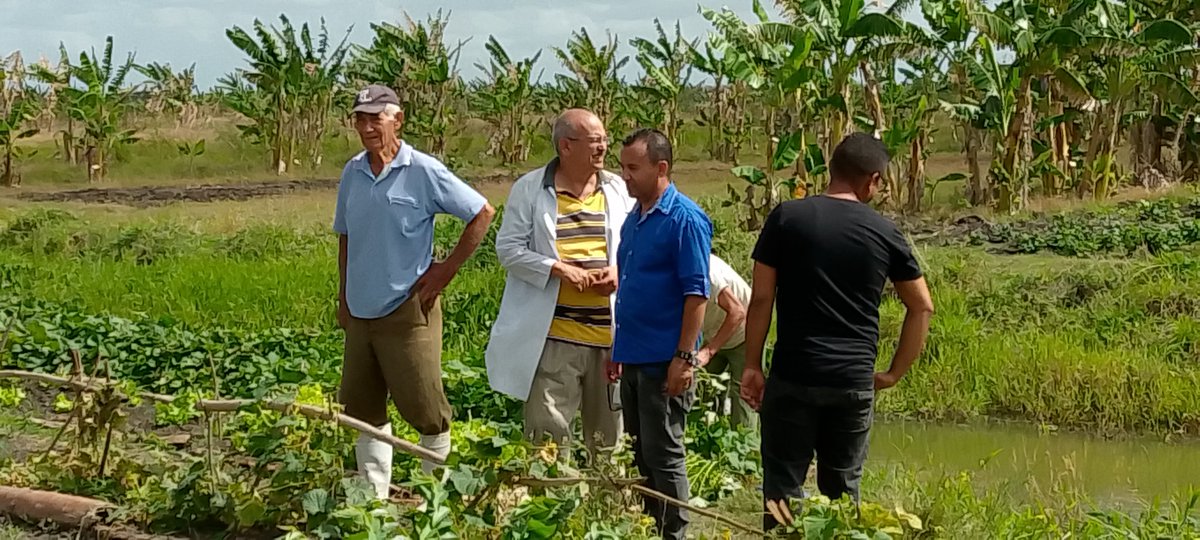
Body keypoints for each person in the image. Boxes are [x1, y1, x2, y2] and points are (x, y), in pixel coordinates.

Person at [739, 133, 934, 529]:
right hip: (851, 381)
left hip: (793, 373)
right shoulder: (884, 232)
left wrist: (752, 366)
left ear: (832, 170)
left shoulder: (786, 217)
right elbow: (922, 305)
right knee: (843, 492)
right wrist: (893, 373)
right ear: (872, 180)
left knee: (782, 490)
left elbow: (761, 299)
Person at [333, 84, 496, 499]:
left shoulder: (422, 170)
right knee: (362, 410)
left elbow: (481, 212)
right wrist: (343, 297)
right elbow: (346, 237)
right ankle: (374, 503)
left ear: (397, 120)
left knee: (427, 410)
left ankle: (433, 502)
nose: (367, 127)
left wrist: (445, 270)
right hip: (360, 312)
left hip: (407, 310)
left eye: (376, 118)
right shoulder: (351, 173)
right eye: (360, 119)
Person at [485, 109, 634, 457]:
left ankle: (607, 506)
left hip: (609, 337)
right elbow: (508, 250)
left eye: (603, 140)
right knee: (547, 436)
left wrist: (617, 270)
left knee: (609, 438)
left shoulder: (617, 189)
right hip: (554, 336)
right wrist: (557, 269)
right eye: (594, 141)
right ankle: (550, 506)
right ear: (566, 147)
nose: (602, 148)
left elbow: (636, 245)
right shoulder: (532, 189)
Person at [612, 128, 713, 540]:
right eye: (622, 167)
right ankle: (650, 528)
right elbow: (630, 286)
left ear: (662, 168)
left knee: (664, 453)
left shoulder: (684, 219)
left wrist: (684, 358)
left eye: (633, 168)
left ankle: (675, 534)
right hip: (634, 355)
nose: (625, 176)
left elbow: (696, 293)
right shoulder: (634, 220)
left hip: (663, 359)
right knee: (640, 453)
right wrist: (617, 350)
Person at [698, 252, 756, 431]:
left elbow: (738, 312)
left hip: (745, 334)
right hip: (713, 334)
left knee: (744, 400)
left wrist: (709, 351)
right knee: (701, 391)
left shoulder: (708, 273)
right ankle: (707, 444)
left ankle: (745, 454)